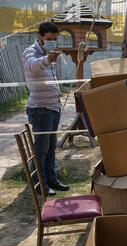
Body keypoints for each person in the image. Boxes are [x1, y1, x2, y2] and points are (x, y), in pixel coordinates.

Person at [23, 21, 69, 196]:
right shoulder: (31, 51)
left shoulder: (52, 52)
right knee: (40, 149)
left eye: (55, 39)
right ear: (40, 37)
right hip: (40, 108)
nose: (52, 42)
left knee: (51, 147)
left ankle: (51, 179)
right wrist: (48, 58)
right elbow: (31, 66)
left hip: (53, 107)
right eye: (49, 39)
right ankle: (39, 184)